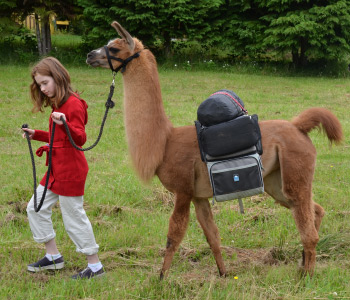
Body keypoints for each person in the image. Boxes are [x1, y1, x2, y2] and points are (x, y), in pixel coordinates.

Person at [22, 57, 104, 279]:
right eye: (39, 84)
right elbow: (60, 137)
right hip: (56, 169)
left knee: (73, 218)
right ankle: (53, 257)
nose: (43, 88)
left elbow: (80, 138)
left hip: (71, 170)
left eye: (45, 82)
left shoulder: (73, 104)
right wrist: (37, 135)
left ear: (58, 77)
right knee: (35, 208)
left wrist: (65, 122)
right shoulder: (59, 104)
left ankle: (95, 267)